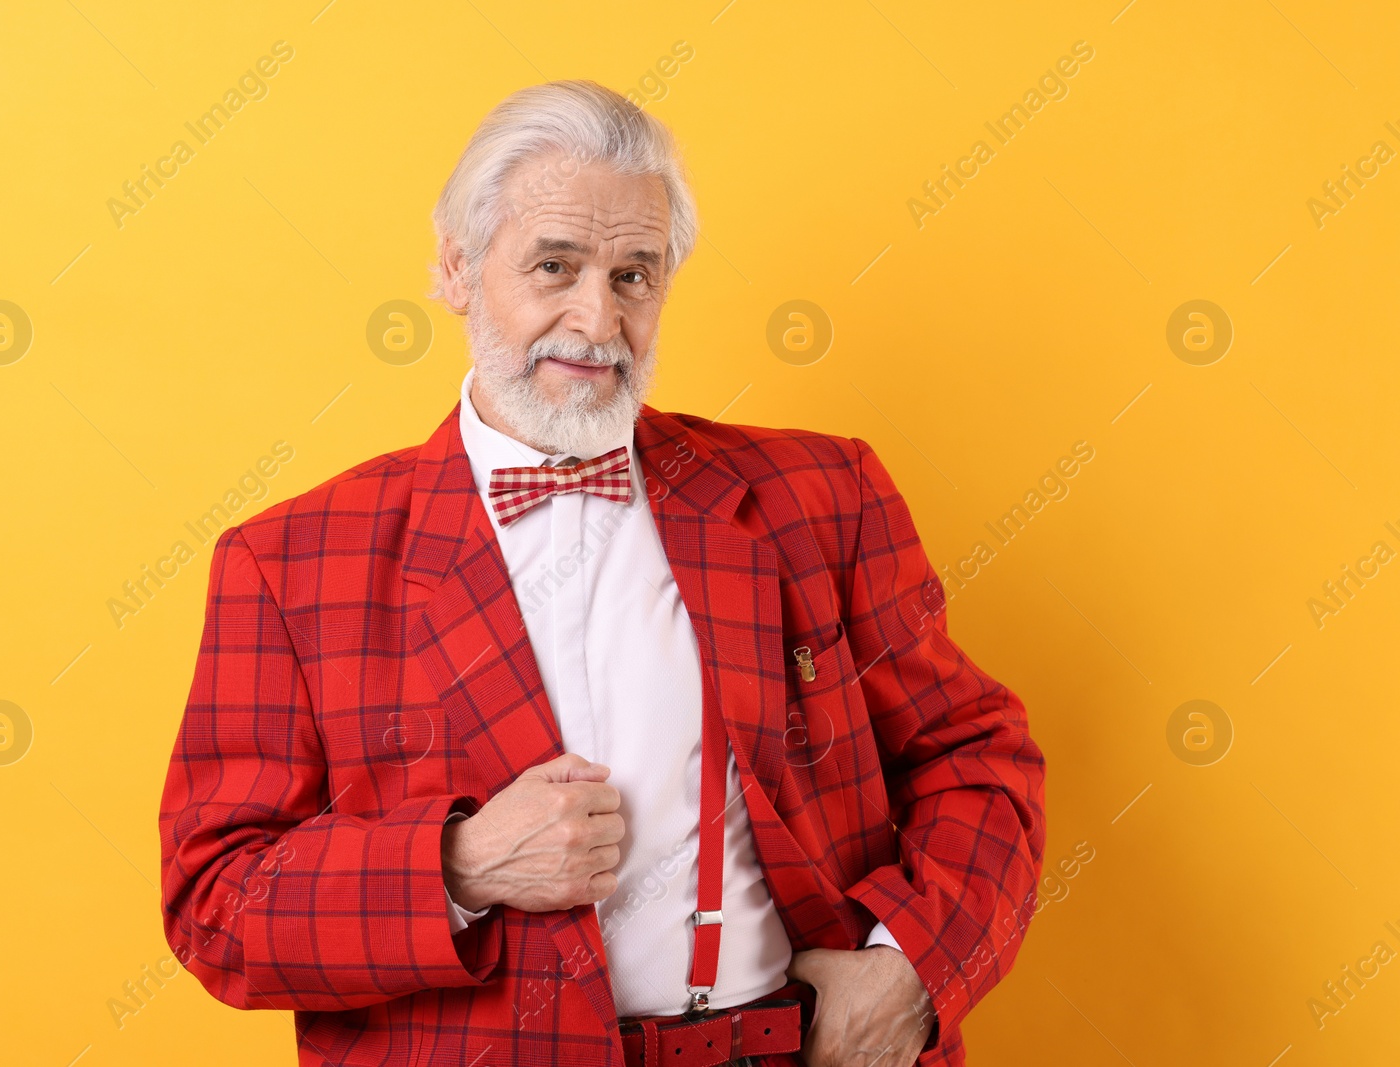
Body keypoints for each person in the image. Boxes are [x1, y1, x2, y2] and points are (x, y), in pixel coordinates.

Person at [158, 79, 1045, 1067]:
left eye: (634, 274)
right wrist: (458, 864)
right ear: (455, 268)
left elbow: (974, 754)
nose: (596, 316)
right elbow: (216, 903)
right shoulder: (288, 561)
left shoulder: (820, 493)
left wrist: (910, 970)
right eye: (554, 265)